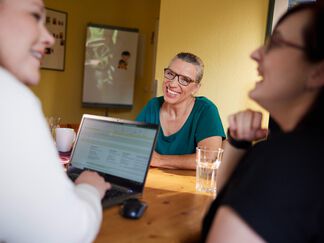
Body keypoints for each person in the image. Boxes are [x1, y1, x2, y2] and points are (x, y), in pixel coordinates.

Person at [202, 2, 324, 242]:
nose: (256, 53)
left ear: (318, 73)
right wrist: (237, 143)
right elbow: (235, 208)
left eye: (276, 43)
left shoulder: (288, 160)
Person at [0, 0, 111, 242]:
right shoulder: (10, 96)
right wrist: (90, 188)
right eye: (34, 16)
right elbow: (66, 234)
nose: (49, 37)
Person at [136, 52, 225, 170]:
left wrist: (160, 160)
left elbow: (209, 158)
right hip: (154, 182)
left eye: (185, 80)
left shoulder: (206, 110)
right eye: (170, 74)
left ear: (196, 88)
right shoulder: (153, 105)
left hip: (187, 186)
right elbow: (134, 146)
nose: (172, 84)